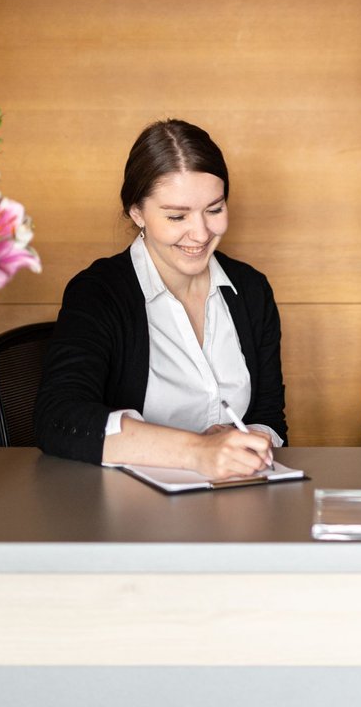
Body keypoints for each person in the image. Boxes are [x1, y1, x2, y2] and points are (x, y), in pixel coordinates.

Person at [35, 119, 286, 477]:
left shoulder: (250, 290)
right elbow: (58, 418)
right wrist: (198, 450)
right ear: (137, 212)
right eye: (176, 216)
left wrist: (245, 446)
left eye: (214, 210)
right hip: (129, 513)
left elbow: (269, 417)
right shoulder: (99, 291)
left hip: (235, 503)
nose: (200, 233)